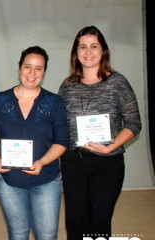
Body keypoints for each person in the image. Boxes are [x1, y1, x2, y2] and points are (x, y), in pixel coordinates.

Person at [58, 26, 141, 239]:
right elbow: (59, 125)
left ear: (103, 50)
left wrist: (109, 148)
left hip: (107, 163)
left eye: (94, 46)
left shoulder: (118, 83)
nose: (88, 51)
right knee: (75, 221)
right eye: (82, 47)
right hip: (73, 162)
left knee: (99, 221)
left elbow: (133, 123)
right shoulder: (67, 86)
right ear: (75, 53)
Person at [0, 46, 69, 240]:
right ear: (19, 67)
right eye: (28, 66)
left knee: (47, 236)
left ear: (44, 71)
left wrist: (42, 162)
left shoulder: (55, 103)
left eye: (38, 68)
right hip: (9, 181)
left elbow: (62, 141)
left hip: (47, 179)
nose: (32, 73)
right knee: (18, 234)